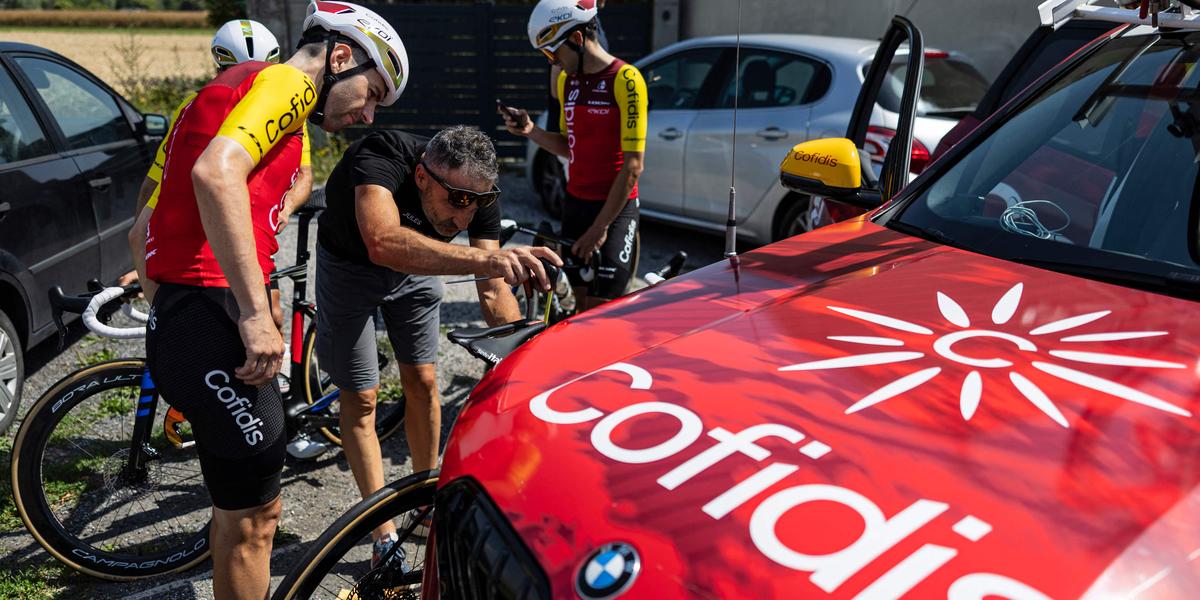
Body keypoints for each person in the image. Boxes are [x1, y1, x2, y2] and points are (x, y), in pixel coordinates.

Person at [141, 3, 410, 598]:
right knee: (256, 520)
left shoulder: (216, 93)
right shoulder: (288, 84)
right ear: (339, 56)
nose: (368, 113)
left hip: (187, 315)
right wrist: (254, 315)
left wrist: (173, 314)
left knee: (233, 511)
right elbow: (217, 173)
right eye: (371, 93)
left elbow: (144, 227)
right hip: (211, 317)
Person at [314, 124, 560, 566]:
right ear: (423, 177)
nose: (465, 218)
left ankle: (423, 498)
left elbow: (490, 288)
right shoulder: (382, 154)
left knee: (424, 381)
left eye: (478, 205)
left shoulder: (476, 189)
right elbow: (383, 242)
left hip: (419, 268)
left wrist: (526, 356)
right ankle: (382, 531)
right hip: (351, 265)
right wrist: (489, 259)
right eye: (458, 202)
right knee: (363, 397)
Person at [124, 19, 312, 332]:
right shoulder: (193, 105)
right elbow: (154, 183)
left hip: (250, 226)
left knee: (273, 315)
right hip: (211, 232)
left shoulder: (283, 107)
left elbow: (305, 174)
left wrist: (287, 206)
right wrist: (146, 239)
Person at [502, 0, 648, 311]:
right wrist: (529, 130)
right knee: (577, 307)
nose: (552, 61)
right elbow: (571, 147)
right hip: (576, 204)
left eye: (553, 52)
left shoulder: (627, 79)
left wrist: (599, 228)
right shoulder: (568, 81)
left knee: (604, 309)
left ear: (578, 39)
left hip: (615, 210)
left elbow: (633, 167)